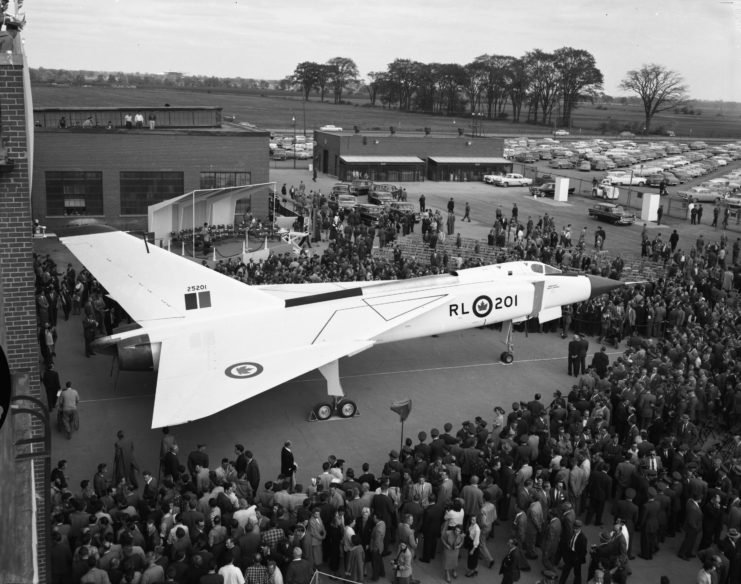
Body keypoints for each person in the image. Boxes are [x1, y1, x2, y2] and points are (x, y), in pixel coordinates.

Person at [559, 519, 587, 584]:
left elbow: (584, 551)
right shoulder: (572, 532)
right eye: (574, 528)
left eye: (576, 529)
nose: (575, 530)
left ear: (580, 528)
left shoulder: (583, 538)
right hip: (570, 554)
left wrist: (578, 559)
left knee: (577, 573)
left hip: (577, 557)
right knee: (565, 570)